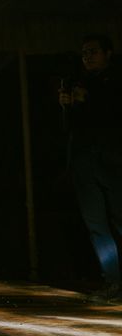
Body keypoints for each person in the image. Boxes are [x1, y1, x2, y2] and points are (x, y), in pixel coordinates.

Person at [59, 34, 122, 300]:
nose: (88, 57)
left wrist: (89, 100)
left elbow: (112, 114)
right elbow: (73, 126)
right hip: (84, 161)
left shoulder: (116, 80)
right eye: (84, 53)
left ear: (108, 53)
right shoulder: (80, 82)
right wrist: (68, 106)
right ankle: (113, 281)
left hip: (113, 159)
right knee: (96, 224)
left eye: (94, 51)